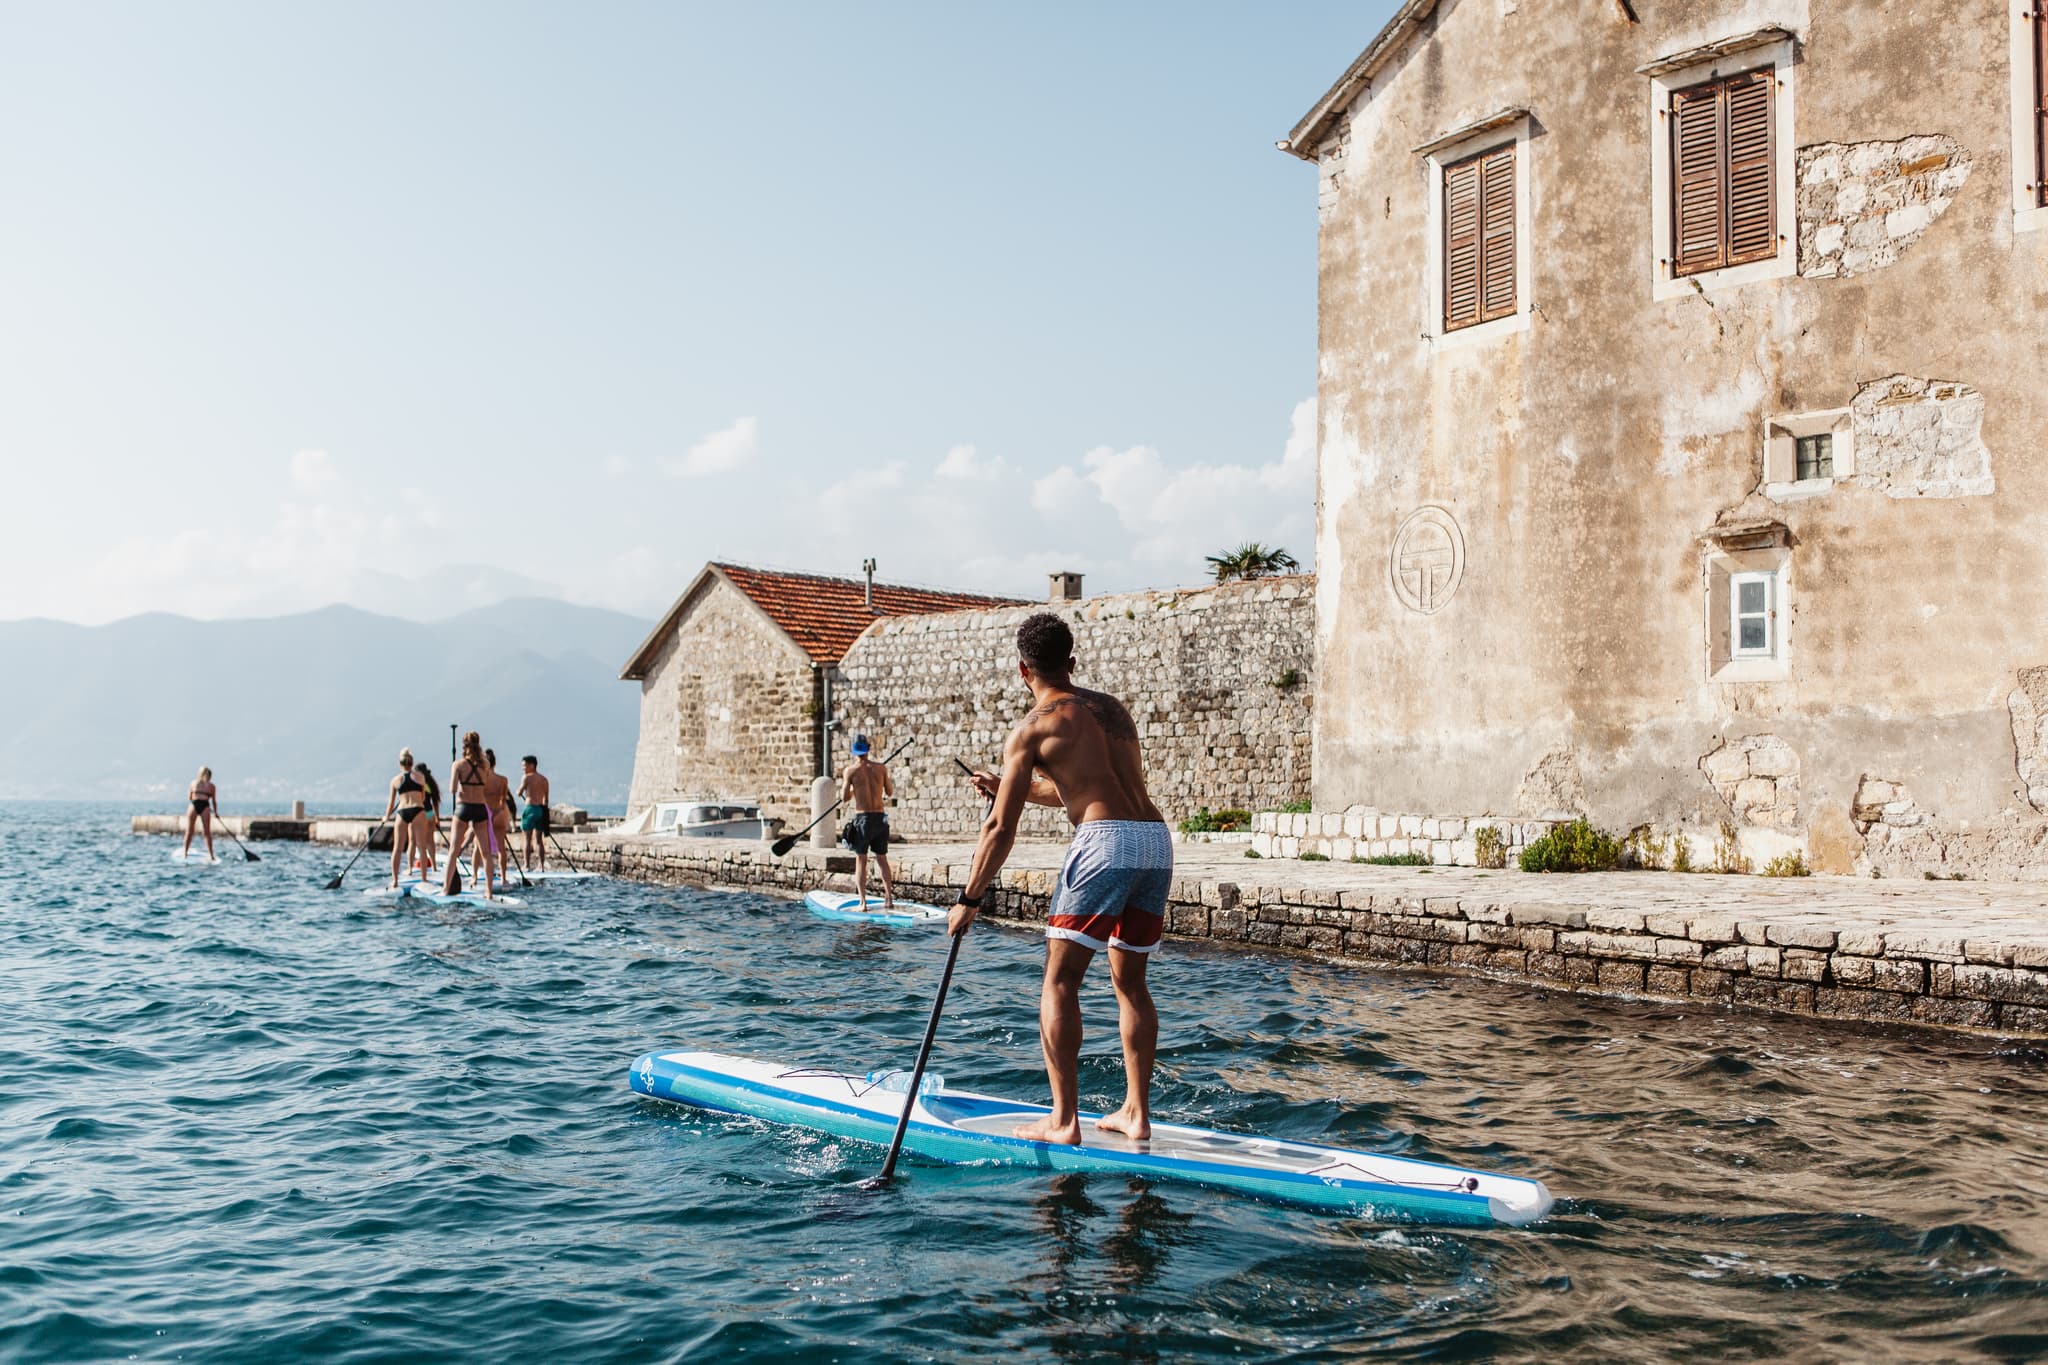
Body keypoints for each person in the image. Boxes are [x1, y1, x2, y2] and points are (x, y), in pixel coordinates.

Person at [949, 613, 1171, 1146]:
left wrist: (969, 899)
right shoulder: (1111, 710)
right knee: (1131, 983)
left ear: (1023, 669)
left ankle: (1063, 1120)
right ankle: (1136, 1115)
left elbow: (1000, 828)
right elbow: (1086, 786)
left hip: (1103, 844)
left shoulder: (1034, 727)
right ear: (1071, 663)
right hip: (1154, 841)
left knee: (1060, 980)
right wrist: (1012, 785)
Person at [839, 735, 895, 908]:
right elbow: (890, 791)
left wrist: (856, 790)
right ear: (868, 749)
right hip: (880, 818)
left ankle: (863, 902)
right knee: (882, 859)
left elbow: (843, 798)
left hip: (862, 819)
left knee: (861, 860)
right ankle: (889, 899)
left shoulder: (851, 771)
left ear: (854, 751)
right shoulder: (881, 768)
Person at [445, 732, 498, 899]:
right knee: (486, 853)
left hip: (463, 808)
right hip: (480, 808)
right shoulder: (485, 764)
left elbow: (453, 789)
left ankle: (446, 889)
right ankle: (488, 892)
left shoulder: (458, 764)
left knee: (453, 850)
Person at [383, 749, 429, 888]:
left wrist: (386, 817)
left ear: (400, 764)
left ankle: (395, 880)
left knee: (397, 848)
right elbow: (423, 797)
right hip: (417, 810)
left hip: (402, 811)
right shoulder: (420, 777)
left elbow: (391, 804)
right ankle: (424, 879)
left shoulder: (395, 780)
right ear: (412, 762)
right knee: (421, 847)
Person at [485, 748, 517, 884]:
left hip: (486, 813)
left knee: (479, 847)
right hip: (499, 812)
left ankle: (475, 877)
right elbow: (503, 800)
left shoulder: (481, 781)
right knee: (501, 848)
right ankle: (503, 878)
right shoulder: (503, 780)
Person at [516, 756, 550, 871]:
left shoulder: (527, 778)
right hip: (541, 810)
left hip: (530, 809)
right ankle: (541, 865)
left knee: (527, 838)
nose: (523, 768)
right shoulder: (544, 779)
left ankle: (526, 865)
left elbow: (519, 792)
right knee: (539, 840)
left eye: (524, 766)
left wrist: (518, 791)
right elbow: (546, 800)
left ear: (532, 765)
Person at [413, 763, 443, 878]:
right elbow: (435, 803)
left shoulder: (419, 783)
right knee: (430, 841)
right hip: (430, 814)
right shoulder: (431, 784)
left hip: (421, 813)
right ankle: (434, 866)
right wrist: (437, 818)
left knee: (420, 843)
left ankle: (423, 868)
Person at [182, 765, 218, 860]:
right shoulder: (211, 786)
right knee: (206, 832)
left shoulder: (193, 783)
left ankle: (184, 853)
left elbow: (190, 797)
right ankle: (211, 855)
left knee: (190, 831)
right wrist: (215, 812)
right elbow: (213, 801)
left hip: (194, 804)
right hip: (204, 805)